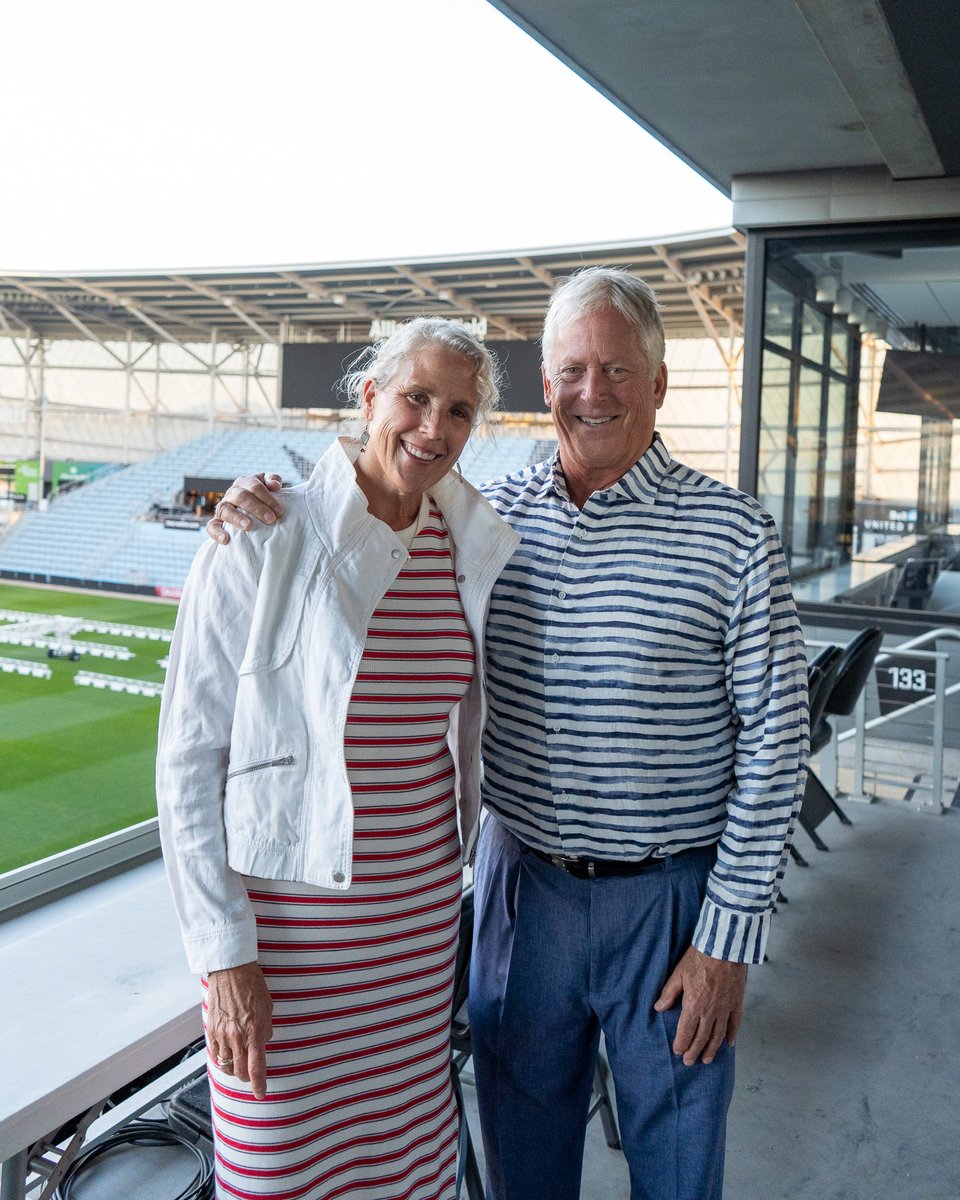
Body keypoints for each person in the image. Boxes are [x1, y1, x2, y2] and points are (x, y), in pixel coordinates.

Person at [210, 267, 809, 1200]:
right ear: (544, 381)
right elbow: (369, 495)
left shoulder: (732, 534)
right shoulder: (490, 519)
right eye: (572, 369)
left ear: (658, 383)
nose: (593, 392)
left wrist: (728, 940)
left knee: (679, 1166)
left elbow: (779, 742)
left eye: (618, 370)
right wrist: (259, 503)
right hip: (519, 891)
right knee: (522, 1164)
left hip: (670, 906)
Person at [157, 317, 519, 1200]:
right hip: (288, 954)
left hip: (416, 940)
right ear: (368, 397)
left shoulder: (469, 546)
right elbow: (189, 760)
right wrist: (224, 958)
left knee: (408, 1177)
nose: (435, 428)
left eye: (461, 412)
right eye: (417, 398)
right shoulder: (264, 533)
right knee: (279, 1177)